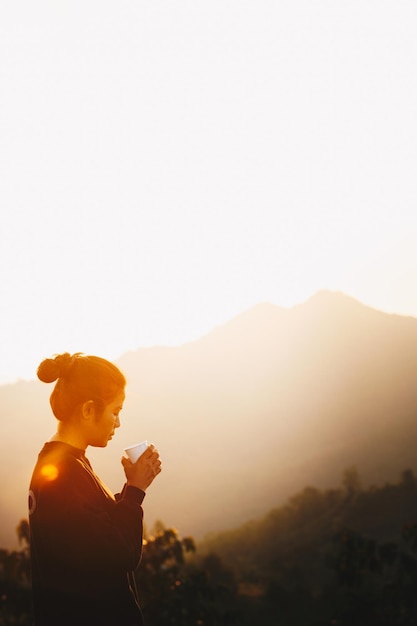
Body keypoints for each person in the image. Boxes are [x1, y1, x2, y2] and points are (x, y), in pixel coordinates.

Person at [28, 352, 162, 626]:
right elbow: (119, 553)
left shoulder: (68, 462)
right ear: (88, 410)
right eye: (116, 411)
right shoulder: (64, 472)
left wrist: (130, 488)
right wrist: (136, 491)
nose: (118, 422)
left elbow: (92, 530)